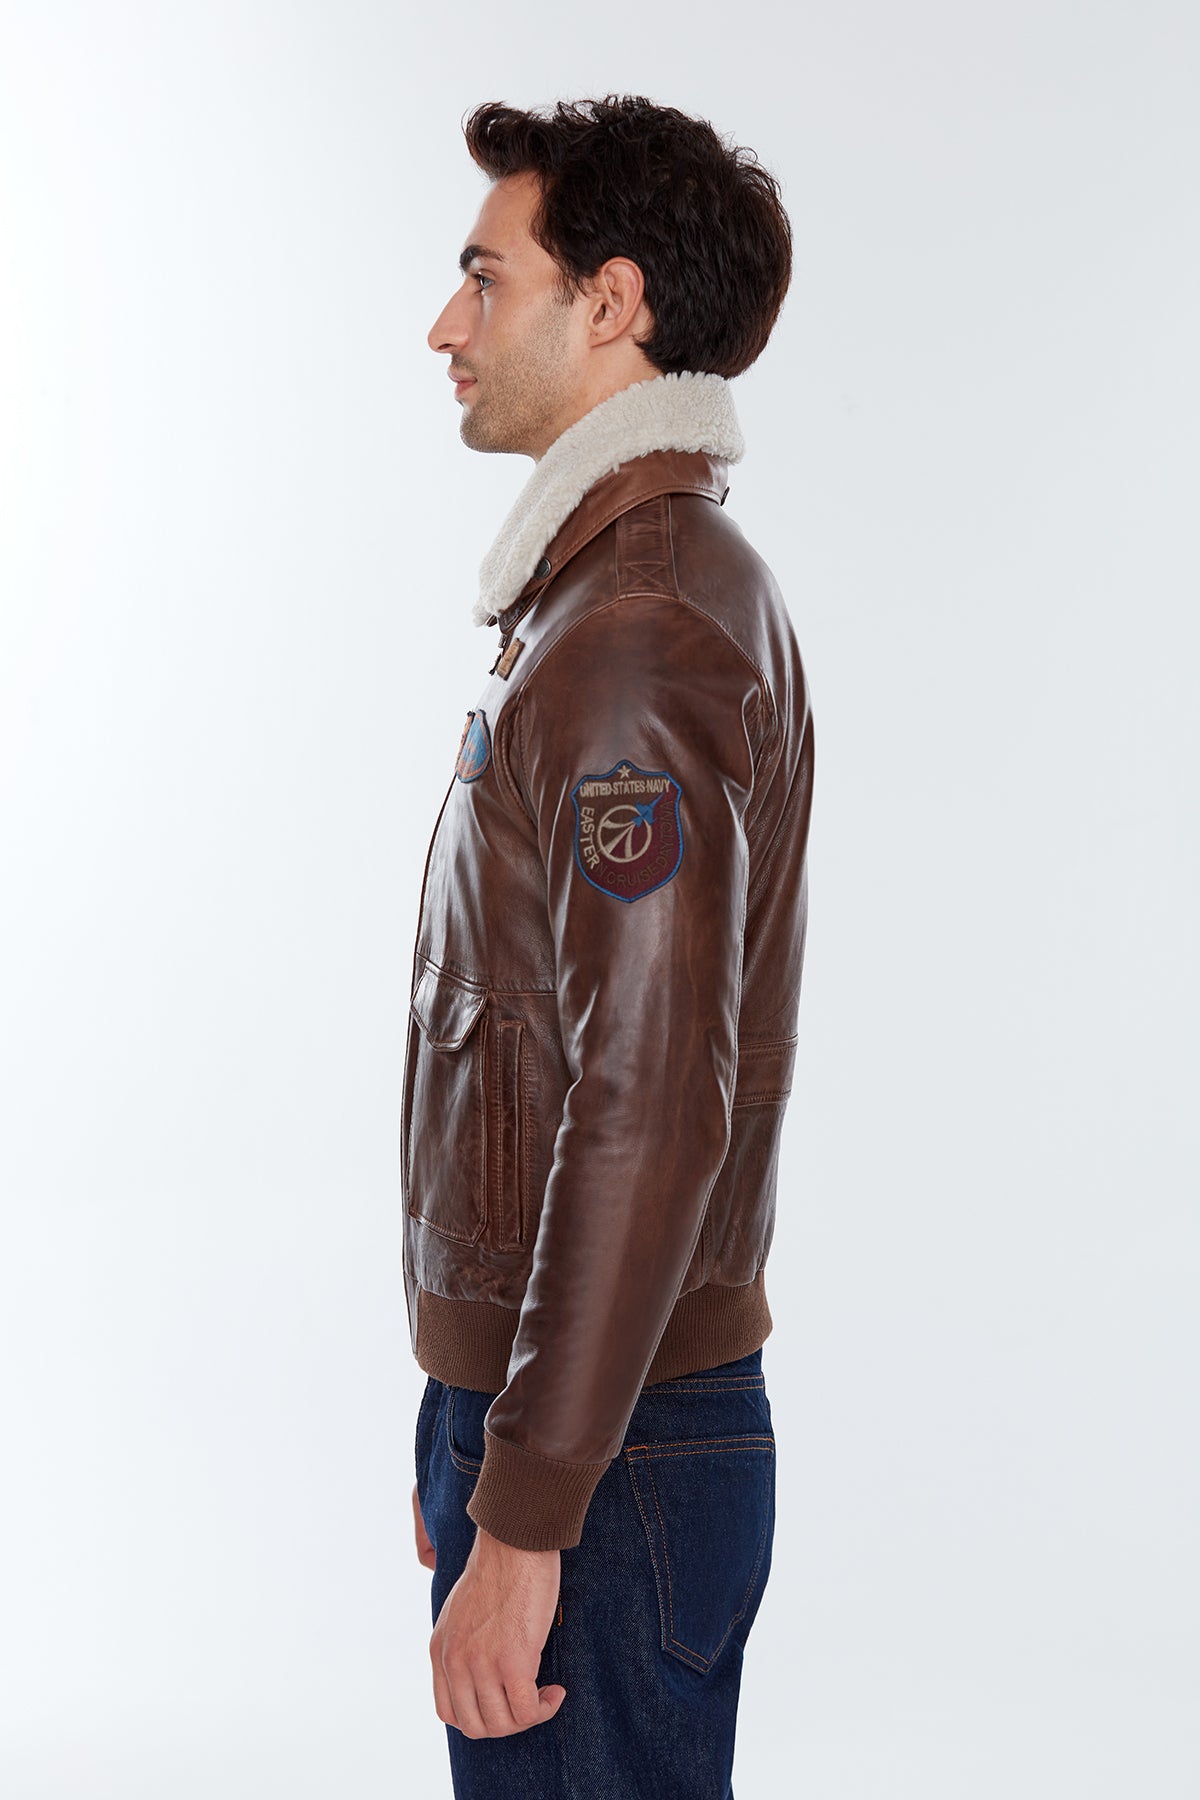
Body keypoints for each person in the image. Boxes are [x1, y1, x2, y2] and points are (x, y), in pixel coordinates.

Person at [405, 95, 815, 1798]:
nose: (446, 325)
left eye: (485, 276)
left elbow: (646, 1105)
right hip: (581, 1423)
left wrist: (526, 1505)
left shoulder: (634, 626)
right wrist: (474, 1432)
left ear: (611, 304)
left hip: (614, 1446)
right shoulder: (608, 596)